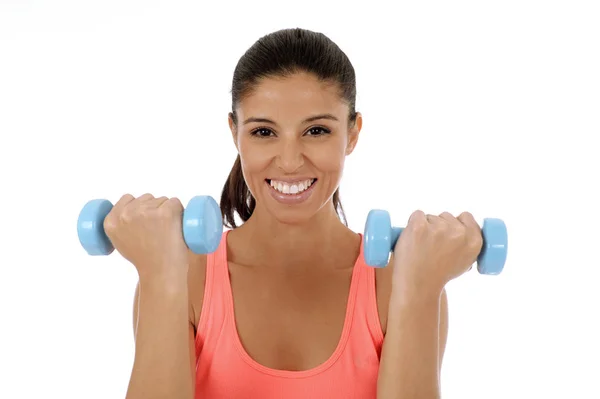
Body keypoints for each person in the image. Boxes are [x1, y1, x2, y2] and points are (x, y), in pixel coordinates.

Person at [104, 28, 484, 399]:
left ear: (353, 134)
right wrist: (159, 275)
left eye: (316, 130)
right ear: (234, 132)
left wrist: (419, 290)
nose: (289, 161)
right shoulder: (185, 277)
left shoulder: (398, 284)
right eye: (264, 132)